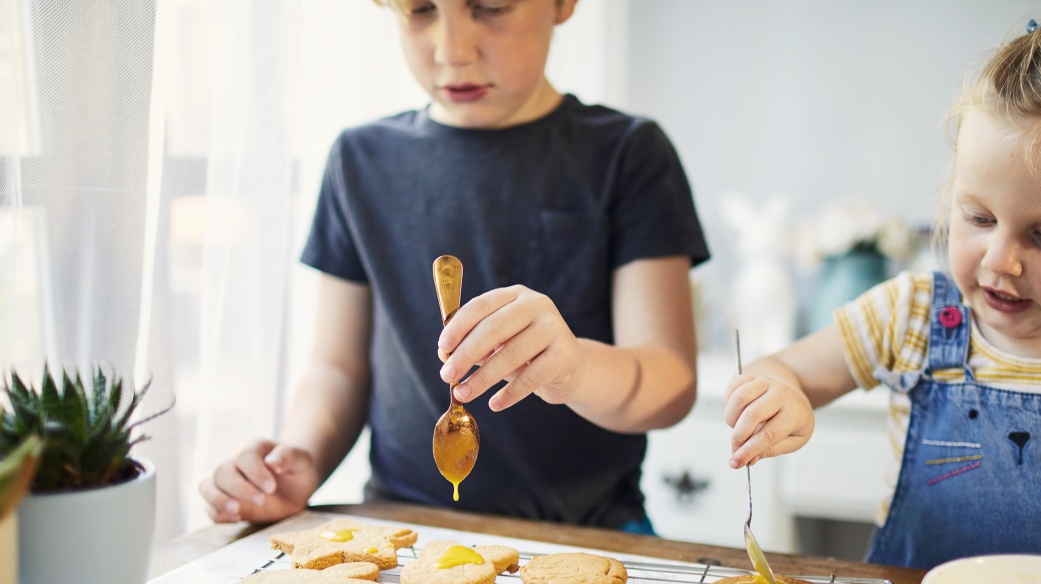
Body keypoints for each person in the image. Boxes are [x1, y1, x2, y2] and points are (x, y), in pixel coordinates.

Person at [724, 1, 1041, 584]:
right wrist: (780, 395)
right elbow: (783, 370)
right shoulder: (914, 313)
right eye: (978, 216)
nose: (999, 258)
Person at [199, 0, 709, 531]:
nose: (451, 50)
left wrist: (576, 370)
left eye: (490, 7)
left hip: (592, 532)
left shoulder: (628, 155)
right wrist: (301, 457)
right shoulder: (360, 160)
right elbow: (338, 370)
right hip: (400, 526)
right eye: (420, 10)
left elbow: (669, 382)